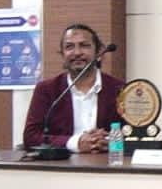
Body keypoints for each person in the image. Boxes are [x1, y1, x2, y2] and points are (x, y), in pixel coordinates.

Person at [23, 24, 123, 152]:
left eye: (84, 45)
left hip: (106, 163)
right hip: (61, 163)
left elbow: (133, 134)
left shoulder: (119, 90)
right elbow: (30, 137)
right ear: (62, 54)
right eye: (69, 47)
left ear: (98, 52)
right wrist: (76, 143)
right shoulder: (47, 90)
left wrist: (108, 140)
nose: (77, 53)